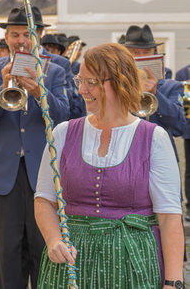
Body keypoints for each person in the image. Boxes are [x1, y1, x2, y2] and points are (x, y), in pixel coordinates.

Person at [35, 42, 184, 288]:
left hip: (132, 263)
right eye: (79, 80)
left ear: (120, 82)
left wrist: (173, 281)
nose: (82, 90)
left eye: (91, 82)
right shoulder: (62, 134)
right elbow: (44, 199)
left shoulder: (153, 138)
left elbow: (169, 218)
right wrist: (53, 240)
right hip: (71, 261)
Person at [0, 7, 70, 289]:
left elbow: (65, 116)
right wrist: (2, 87)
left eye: (27, 34)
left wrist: (40, 92)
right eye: (14, 35)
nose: (21, 41)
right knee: (7, 252)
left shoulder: (55, 70)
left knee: (44, 249)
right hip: (3, 174)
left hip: (43, 172)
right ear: (5, 37)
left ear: (38, 36)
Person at [123, 24, 185, 160]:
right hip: (126, 156)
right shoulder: (118, 86)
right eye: (135, 52)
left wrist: (156, 93)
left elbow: (177, 122)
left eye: (146, 52)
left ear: (154, 53)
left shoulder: (172, 86)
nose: (141, 56)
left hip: (161, 156)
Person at [176, 65, 190, 221]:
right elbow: (180, 104)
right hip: (189, 127)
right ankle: (189, 206)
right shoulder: (182, 72)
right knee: (189, 170)